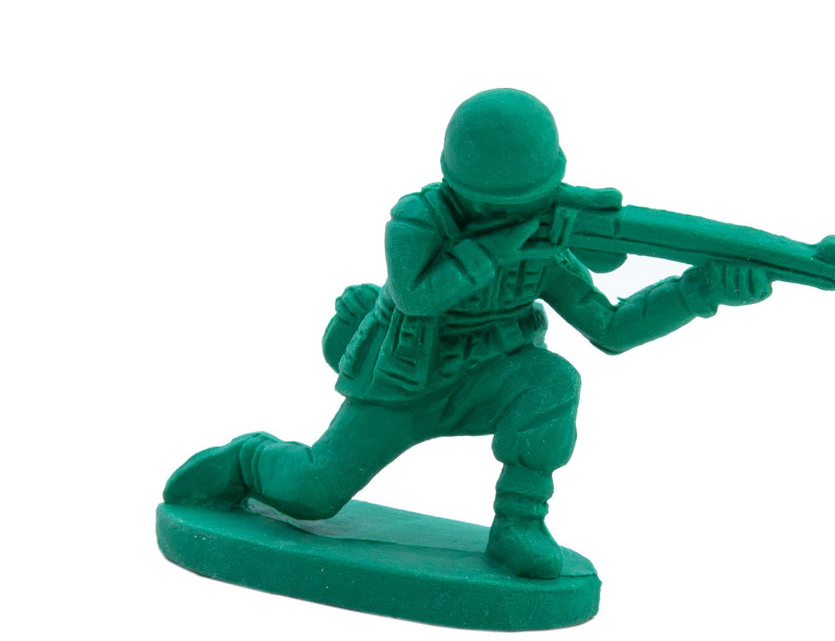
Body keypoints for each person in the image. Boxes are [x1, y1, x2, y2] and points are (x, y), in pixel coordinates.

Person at [164, 88, 772, 578]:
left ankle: (519, 524)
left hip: (488, 376)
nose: (507, 215)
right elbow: (417, 294)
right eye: (490, 204)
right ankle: (249, 458)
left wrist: (699, 291)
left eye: (521, 203)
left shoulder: (545, 244)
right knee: (312, 495)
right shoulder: (418, 219)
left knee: (552, 379)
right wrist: (502, 245)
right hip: (402, 381)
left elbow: (610, 328)